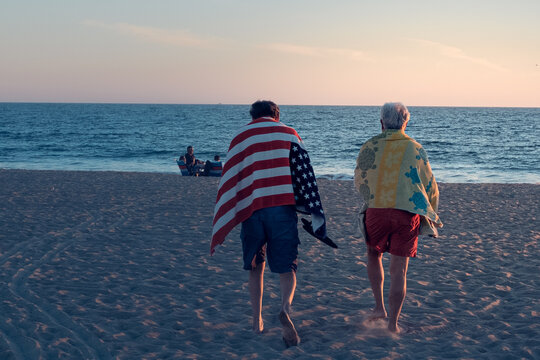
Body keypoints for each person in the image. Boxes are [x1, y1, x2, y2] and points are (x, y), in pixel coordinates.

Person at [211, 100, 328, 347]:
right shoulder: (289, 133)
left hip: (252, 210)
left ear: (253, 116)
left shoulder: (241, 136)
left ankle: (257, 321)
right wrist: (310, 209)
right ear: (277, 115)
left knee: (256, 266)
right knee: (287, 267)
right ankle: (285, 308)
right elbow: (303, 173)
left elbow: (233, 175)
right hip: (282, 209)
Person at [354, 102, 443, 333]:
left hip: (377, 211)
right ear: (406, 122)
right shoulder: (415, 148)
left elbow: (360, 178)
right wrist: (431, 212)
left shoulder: (369, 145)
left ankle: (379, 308)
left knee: (373, 254)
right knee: (399, 270)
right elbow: (430, 185)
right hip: (407, 213)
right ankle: (393, 324)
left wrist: (372, 198)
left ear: (381, 123)